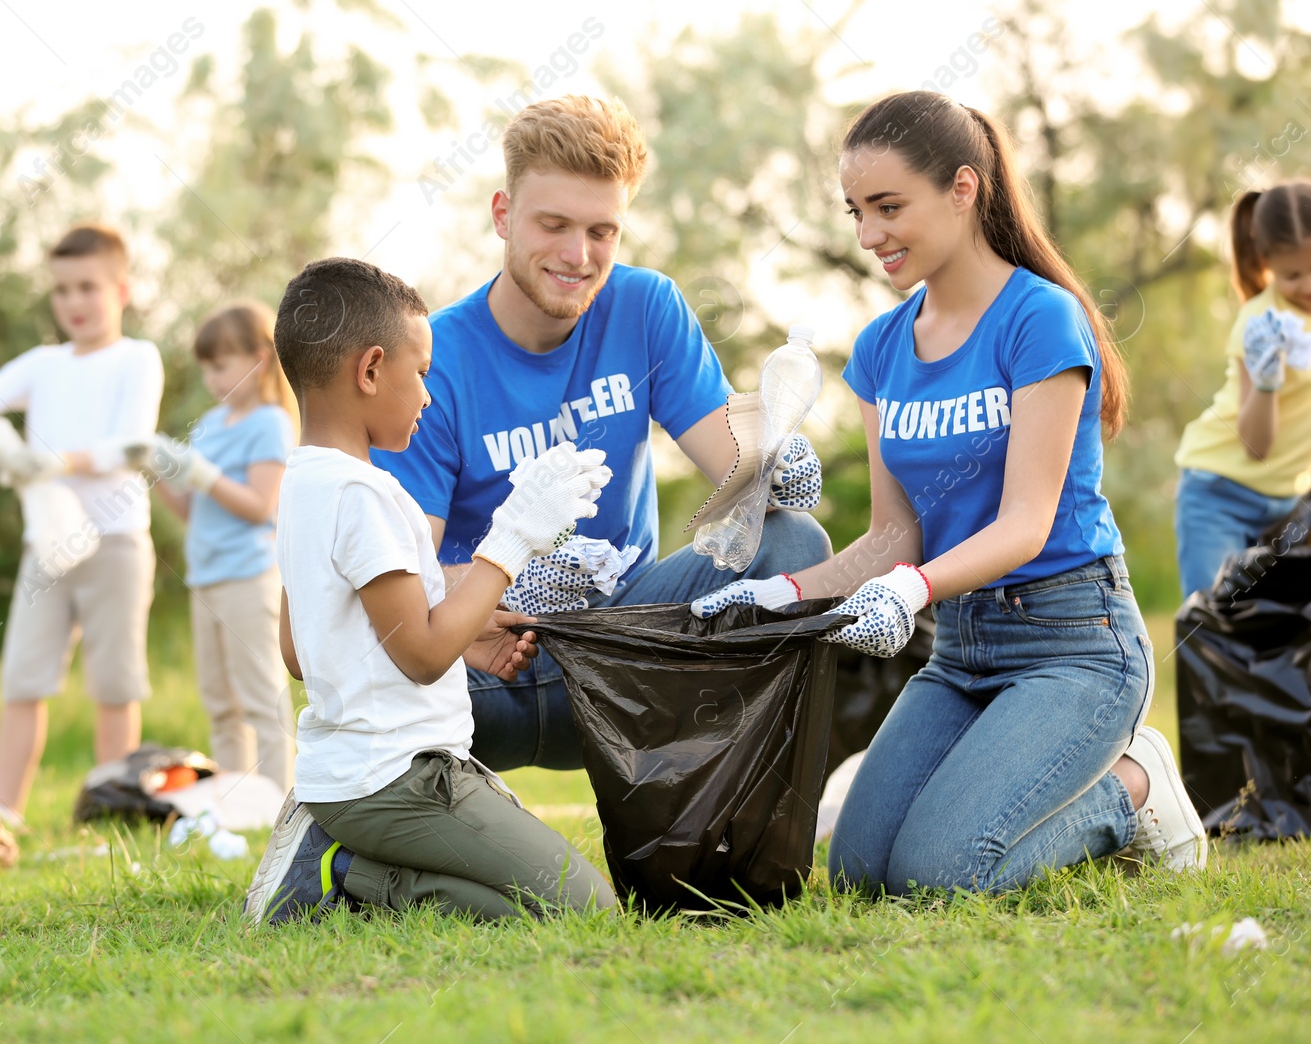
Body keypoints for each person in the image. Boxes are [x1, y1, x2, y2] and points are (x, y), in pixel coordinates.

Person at [692, 92, 1208, 894]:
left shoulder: (1039, 321)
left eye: (889, 207)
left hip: (1073, 639)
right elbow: (894, 536)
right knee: (862, 873)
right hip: (961, 646)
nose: (869, 235)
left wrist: (912, 588)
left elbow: (1028, 523)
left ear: (963, 189)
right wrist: (779, 591)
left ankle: (1135, 789)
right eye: (857, 211)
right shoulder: (880, 348)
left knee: (940, 874)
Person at [372, 94, 832, 772]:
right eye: (553, 224)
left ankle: (721, 782)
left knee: (795, 540)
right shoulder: (436, 360)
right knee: (383, 667)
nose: (577, 255)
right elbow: (402, 582)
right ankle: (353, 831)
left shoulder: (645, 307)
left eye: (602, 231)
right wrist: (497, 580)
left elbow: (735, 469)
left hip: (627, 646)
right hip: (496, 665)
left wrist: (772, 455)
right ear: (503, 215)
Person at [243, 257, 618, 923]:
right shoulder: (367, 495)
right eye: (420, 375)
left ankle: (342, 851)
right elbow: (418, 654)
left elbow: (304, 652)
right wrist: (512, 538)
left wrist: (464, 641)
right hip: (400, 780)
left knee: (541, 895)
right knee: (583, 908)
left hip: (342, 778)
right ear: (369, 370)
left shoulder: (302, 483)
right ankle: (346, 875)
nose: (427, 396)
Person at [0, 223, 163, 825]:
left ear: (121, 289)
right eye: (62, 290)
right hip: (45, 544)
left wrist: (58, 460)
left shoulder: (137, 358)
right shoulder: (44, 363)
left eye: (87, 287)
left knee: (114, 682)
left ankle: (110, 809)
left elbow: (131, 442)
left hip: (116, 542)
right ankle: (2, 811)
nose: (73, 303)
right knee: (24, 677)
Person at [135, 302, 297, 790]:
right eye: (206, 367)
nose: (212, 378)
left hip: (247, 577)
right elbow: (190, 510)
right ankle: (236, 797)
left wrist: (202, 475)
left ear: (259, 358)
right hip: (205, 577)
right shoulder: (209, 424)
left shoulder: (270, 422)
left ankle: (278, 801)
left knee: (259, 694)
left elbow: (260, 506)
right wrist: (160, 470)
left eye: (221, 365)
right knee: (219, 700)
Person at [1173, 181, 1311, 600]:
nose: (1309, 284)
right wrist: (1268, 380)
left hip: (1288, 502)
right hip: (1219, 494)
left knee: (1286, 630)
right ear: (1266, 261)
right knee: (1216, 621)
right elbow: (1256, 445)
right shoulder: (1260, 323)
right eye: (1293, 275)